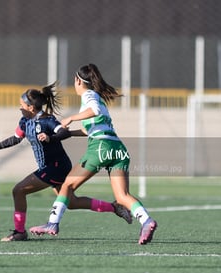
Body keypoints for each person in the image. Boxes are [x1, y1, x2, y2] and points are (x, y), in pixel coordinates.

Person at [0, 82, 132, 242]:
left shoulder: (47, 120)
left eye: (21, 105)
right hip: (49, 167)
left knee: (19, 190)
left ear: (31, 108)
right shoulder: (24, 121)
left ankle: (19, 232)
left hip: (56, 167)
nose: (20, 108)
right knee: (71, 202)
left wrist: (50, 137)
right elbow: (16, 138)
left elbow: (64, 132)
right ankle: (114, 207)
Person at [29, 64, 158, 245]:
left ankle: (52, 224)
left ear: (78, 81)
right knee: (122, 196)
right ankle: (146, 221)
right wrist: (68, 133)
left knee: (67, 185)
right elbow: (88, 128)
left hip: (101, 147)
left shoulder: (89, 96)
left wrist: (71, 117)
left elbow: (94, 111)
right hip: (117, 148)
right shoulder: (98, 99)